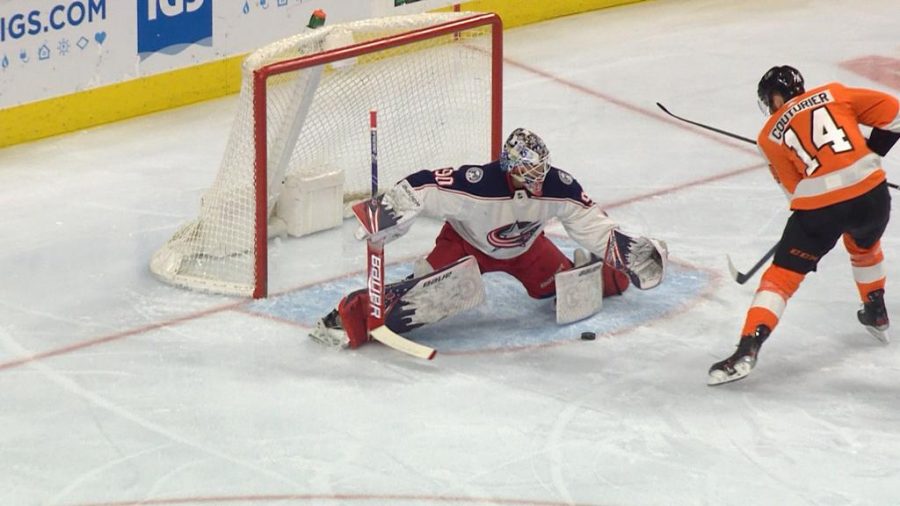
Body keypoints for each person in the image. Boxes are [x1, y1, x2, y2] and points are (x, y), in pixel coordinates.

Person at [310, 128, 668, 349]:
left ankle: (607, 272)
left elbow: (590, 222)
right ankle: (347, 318)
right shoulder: (477, 184)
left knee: (555, 289)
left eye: (541, 169)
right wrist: (385, 214)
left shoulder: (559, 186)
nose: (538, 178)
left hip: (527, 249)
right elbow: (425, 184)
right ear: (510, 167)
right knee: (426, 292)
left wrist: (627, 252)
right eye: (529, 171)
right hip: (465, 245)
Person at [709, 65, 900, 385]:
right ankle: (875, 310)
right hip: (873, 195)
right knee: (864, 245)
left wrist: (823, 210)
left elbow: (795, 192)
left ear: (775, 97)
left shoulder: (768, 135)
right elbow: (895, 115)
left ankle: (747, 348)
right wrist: (868, 154)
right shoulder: (835, 93)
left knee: (780, 279)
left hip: (821, 209)